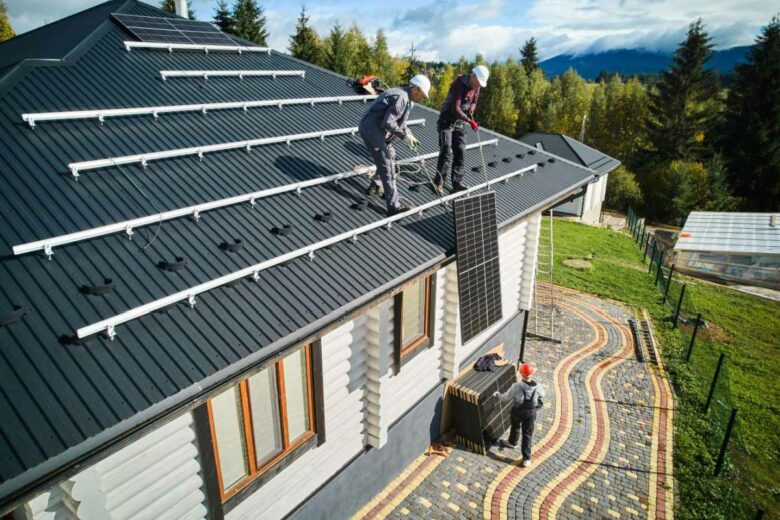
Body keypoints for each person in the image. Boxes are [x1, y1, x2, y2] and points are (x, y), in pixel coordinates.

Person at [358, 75, 431, 216]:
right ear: (416, 89)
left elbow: (401, 124)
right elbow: (388, 122)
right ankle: (394, 208)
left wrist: (409, 134)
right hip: (371, 130)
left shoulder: (405, 98)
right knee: (389, 167)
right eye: (421, 95)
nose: (421, 98)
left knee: (391, 154)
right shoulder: (401, 98)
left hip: (375, 129)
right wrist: (404, 137)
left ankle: (376, 185)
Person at [434, 64, 490, 194]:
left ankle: (457, 183)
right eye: (478, 82)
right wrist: (470, 121)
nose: (479, 86)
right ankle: (438, 182)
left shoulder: (477, 86)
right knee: (446, 150)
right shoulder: (459, 84)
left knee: (460, 150)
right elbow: (456, 108)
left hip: (460, 121)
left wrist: (472, 108)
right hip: (447, 120)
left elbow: (475, 101)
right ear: (473, 76)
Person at [494, 362, 545, 467]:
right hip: (531, 413)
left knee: (515, 426)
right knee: (527, 434)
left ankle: (512, 442)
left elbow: (505, 398)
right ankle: (527, 458)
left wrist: (497, 394)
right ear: (532, 374)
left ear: (521, 374)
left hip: (518, 411)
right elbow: (543, 394)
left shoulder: (516, 386)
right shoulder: (538, 386)